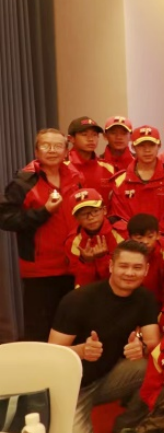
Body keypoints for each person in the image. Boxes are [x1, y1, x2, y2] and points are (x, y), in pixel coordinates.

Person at [48, 239, 161, 433]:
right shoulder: (78, 300)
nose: (129, 273)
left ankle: (125, 430)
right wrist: (81, 351)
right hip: (72, 389)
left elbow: (153, 342)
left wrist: (141, 347)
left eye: (137, 267)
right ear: (111, 266)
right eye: (123, 266)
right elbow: (51, 353)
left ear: (146, 270)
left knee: (154, 366)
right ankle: (54, 423)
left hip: (107, 378)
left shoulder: (145, 299)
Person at [1, 128, 83, 341]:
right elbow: (5, 219)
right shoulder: (23, 181)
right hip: (40, 270)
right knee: (39, 333)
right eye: (46, 146)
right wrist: (44, 211)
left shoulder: (76, 177)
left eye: (58, 146)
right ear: (37, 151)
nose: (52, 150)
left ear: (66, 151)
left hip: (74, 266)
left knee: (72, 328)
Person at [109, 125, 164, 237]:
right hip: (131, 241)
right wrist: (137, 239)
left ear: (159, 146)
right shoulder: (120, 181)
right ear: (133, 147)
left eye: (151, 145)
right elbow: (119, 217)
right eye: (141, 145)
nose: (147, 150)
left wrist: (152, 238)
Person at [65, 189, 126, 287]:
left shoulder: (122, 232)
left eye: (95, 211)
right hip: (91, 290)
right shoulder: (73, 241)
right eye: (83, 214)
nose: (90, 217)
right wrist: (87, 262)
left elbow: (126, 272)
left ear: (104, 210)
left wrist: (103, 259)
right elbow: (81, 282)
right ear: (76, 218)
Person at [127, 213, 164, 306]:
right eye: (139, 238)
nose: (145, 241)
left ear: (158, 235)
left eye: (150, 236)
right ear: (130, 238)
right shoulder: (124, 253)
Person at [66, 117, 114, 198]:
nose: (91, 139)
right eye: (84, 134)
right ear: (71, 139)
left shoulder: (107, 167)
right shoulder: (63, 166)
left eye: (94, 135)